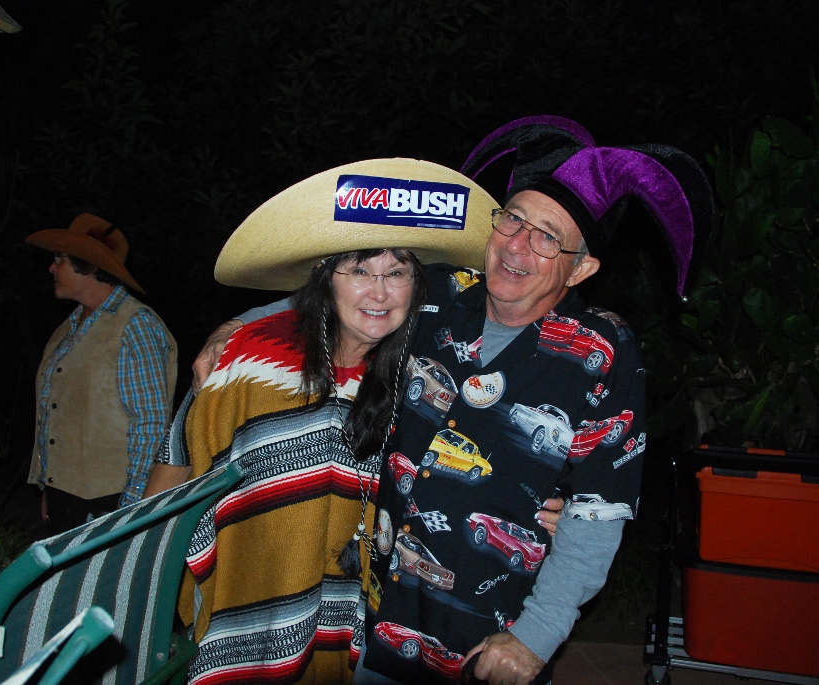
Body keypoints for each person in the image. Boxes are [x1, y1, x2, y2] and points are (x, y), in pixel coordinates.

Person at [194, 117, 714, 685]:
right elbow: (345, 296)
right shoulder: (441, 294)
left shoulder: (604, 352)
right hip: (373, 622)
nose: (517, 245)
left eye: (547, 237)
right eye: (512, 219)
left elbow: (599, 513)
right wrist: (237, 326)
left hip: (481, 644)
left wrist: (536, 638)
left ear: (582, 267)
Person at [149, 158, 498, 685]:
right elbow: (178, 460)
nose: (379, 292)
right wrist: (137, 574)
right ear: (324, 277)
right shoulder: (250, 362)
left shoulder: (420, 377)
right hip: (247, 606)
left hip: (354, 616)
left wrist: (547, 504)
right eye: (359, 271)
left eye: (397, 273)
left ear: (417, 284)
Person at [25, 214, 177, 534]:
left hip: (110, 502)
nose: (52, 268)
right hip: (64, 498)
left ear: (88, 266)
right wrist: (50, 485)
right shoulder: (67, 329)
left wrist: (131, 509)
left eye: (60, 259)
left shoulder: (135, 325)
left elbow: (149, 423)